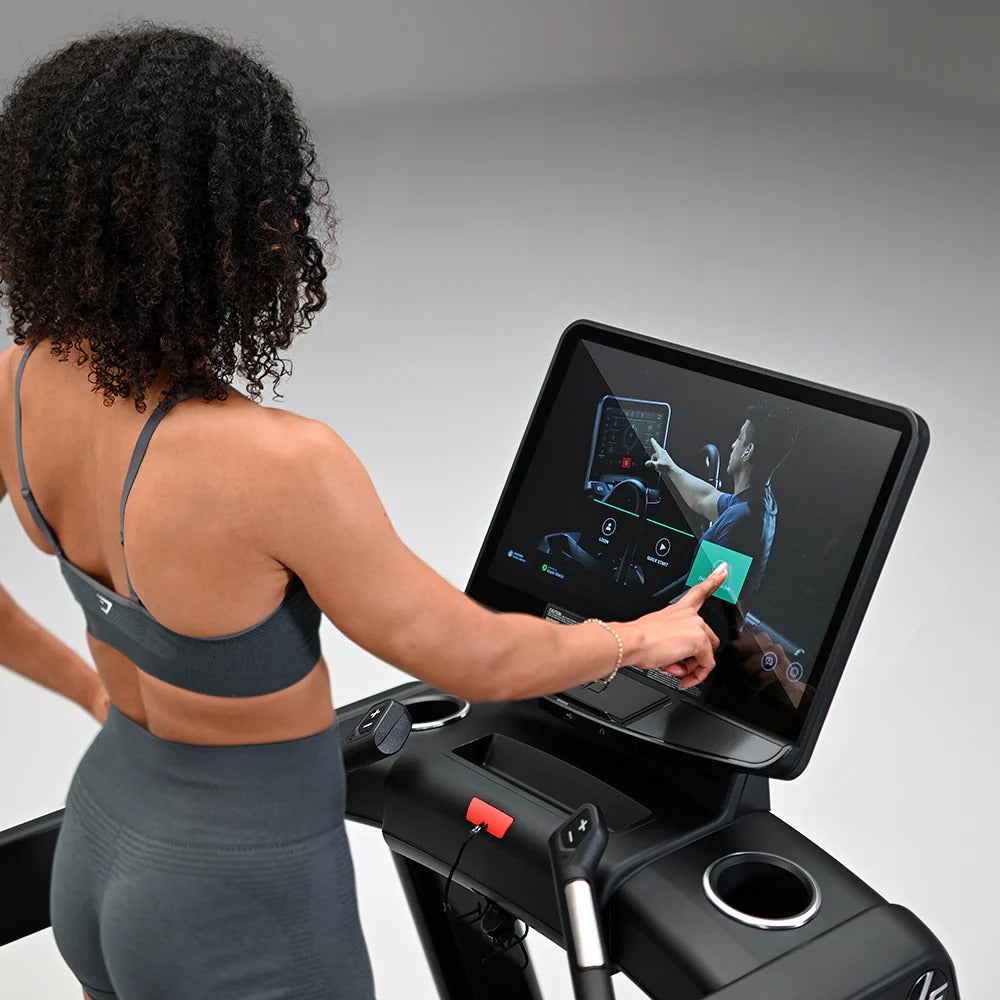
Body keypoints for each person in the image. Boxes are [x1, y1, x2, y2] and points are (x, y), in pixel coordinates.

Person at [0, 23, 728, 1000]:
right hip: (239, 896)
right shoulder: (278, 463)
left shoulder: (13, 385)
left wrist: (94, 694)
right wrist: (637, 637)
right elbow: (477, 658)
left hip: (99, 838)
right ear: (220, 230)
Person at [645, 399, 799, 602]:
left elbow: (702, 605)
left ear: (748, 451)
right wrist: (670, 468)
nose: (733, 444)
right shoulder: (757, 502)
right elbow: (704, 498)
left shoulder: (743, 520)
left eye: (739, 438)